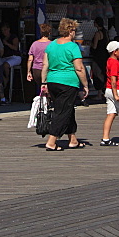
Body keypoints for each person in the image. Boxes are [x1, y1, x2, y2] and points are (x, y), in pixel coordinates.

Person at [40, 18, 89, 151]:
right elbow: (79, 68)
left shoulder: (51, 45)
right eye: (74, 30)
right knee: (62, 111)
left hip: (52, 81)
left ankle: (72, 139)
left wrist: (43, 82)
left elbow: (45, 65)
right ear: (70, 31)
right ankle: (51, 141)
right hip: (68, 82)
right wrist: (85, 85)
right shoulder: (73, 46)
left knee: (67, 109)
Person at [25, 23, 52, 96]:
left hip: (36, 70)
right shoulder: (52, 44)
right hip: (48, 69)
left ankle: (43, 102)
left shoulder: (34, 44)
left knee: (41, 86)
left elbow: (30, 59)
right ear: (49, 33)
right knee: (49, 88)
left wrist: (28, 72)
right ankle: (47, 101)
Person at [0, 23, 22, 103]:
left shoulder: (13, 37)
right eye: (2, 30)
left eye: (5, 30)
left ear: (8, 29)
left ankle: (7, 78)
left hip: (15, 57)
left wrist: (7, 44)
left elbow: (15, 48)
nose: (4, 32)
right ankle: (3, 79)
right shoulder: (2, 38)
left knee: (5, 65)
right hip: (5, 57)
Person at [90, 17, 109, 94]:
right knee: (103, 73)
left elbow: (95, 46)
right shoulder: (105, 33)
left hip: (98, 56)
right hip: (104, 55)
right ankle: (104, 90)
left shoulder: (97, 34)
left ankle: (99, 92)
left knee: (97, 73)